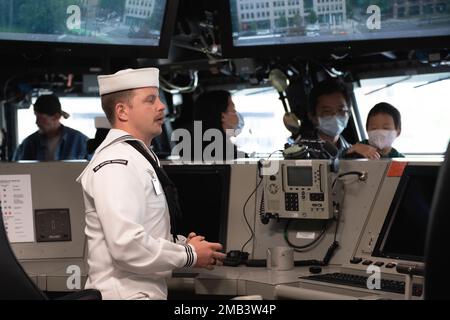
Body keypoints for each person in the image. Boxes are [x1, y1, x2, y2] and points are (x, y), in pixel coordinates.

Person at [76, 68, 225, 300]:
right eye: (150, 100)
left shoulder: (140, 157)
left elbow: (148, 230)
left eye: (159, 98)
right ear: (122, 111)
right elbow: (127, 245)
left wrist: (185, 245)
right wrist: (189, 255)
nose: (161, 106)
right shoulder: (116, 164)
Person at [306, 79, 380, 159]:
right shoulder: (301, 151)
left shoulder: (355, 151)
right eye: (327, 111)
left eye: (341, 110)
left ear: (348, 113)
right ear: (313, 116)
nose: (335, 116)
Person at [12, 94, 89, 161]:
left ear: (56, 117)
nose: (37, 122)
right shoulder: (28, 144)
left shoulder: (80, 142)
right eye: (36, 117)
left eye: (42, 118)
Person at [190, 90, 245, 162]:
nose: (236, 114)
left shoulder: (192, 148)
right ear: (222, 116)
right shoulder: (227, 152)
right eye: (233, 109)